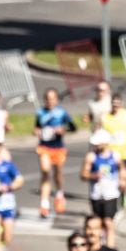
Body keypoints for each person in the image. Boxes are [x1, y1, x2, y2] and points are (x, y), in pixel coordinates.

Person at [33, 89, 78, 218]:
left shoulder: (61, 113)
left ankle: (59, 194)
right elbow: (37, 127)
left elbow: (73, 127)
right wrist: (36, 131)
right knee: (45, 172)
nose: (50, 101)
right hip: (44, 147)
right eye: (47, 98)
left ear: (56, 100)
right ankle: (44, 203)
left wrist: (62, 130)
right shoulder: (40, 113)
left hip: (58, 148)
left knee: (57, 174)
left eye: (52, 98)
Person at [81, 130, 126, 240]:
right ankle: (98, 244)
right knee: (97, 222)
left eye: (99, 143)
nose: (96, 146)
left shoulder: (115, 156)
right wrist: (93, 176)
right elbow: (83, 175)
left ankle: (110, 247)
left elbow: (123, 169)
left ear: (105, 143)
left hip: (111, 194)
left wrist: (123, 181)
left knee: (108, 221)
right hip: (96, 194)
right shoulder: (91, 157)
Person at [99, 92, 126, 204]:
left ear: (122, 104)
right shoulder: (105, 117)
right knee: (110, 176)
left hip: (124, 152)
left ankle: (123, 193)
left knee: (123, 178)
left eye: (118, 104)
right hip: (109, 153)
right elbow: (98, 131)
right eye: (114, 104)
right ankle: (111, 198)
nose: (116, 106)